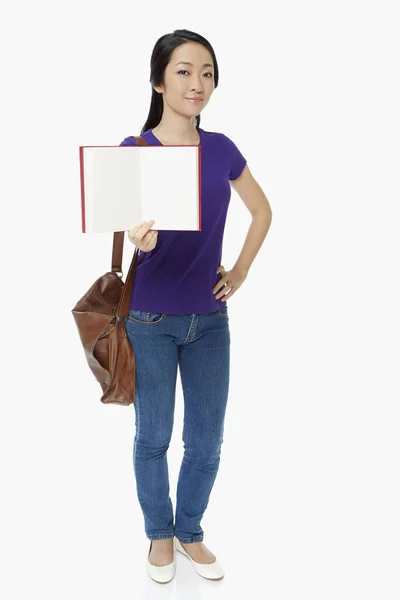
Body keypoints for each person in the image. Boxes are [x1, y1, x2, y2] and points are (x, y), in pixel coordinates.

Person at [119, 29, 272, 583]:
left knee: (206, 440)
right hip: (149, 319)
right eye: (183, 71)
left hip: (210, 321)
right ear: (159, 81)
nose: (197, 83)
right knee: (153, 436)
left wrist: (240, 272)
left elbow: (262, 212)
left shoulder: (223, 148)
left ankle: (189, 531)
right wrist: (139, 238)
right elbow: (121, 226)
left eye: (206, 72)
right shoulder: (135, 151)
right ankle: (159, 534)